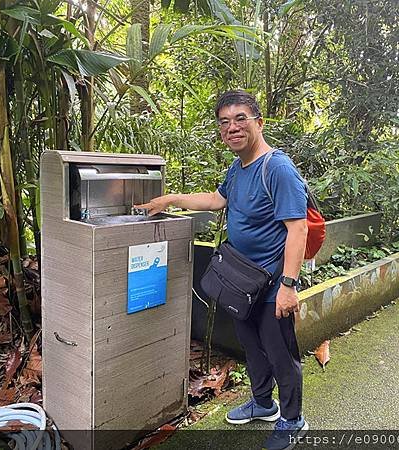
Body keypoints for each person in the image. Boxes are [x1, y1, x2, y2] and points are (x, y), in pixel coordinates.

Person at [137, 90, 309, 449]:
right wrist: (169, 200)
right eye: (225, 121)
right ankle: (264, 403)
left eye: (240, 118)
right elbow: (217, 201)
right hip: (240, 282)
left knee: (281, 353)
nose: (232, 127)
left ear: (259, 123)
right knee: (252, 346)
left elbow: (298, 228)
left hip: (272, 284)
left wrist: (288, 286)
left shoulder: (277, 168)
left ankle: (293, 420)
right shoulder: (238, 167)